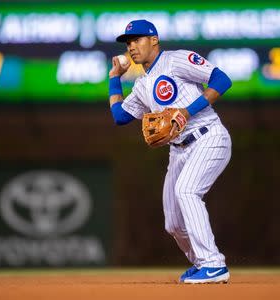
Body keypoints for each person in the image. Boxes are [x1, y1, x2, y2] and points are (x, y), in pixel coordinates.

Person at [108, 19, 232, 284]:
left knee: (187, 191)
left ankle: (213, 264)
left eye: (137, 39)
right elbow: (119, 116)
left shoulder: (177, 60)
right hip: (178, 150)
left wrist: (187, 112)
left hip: (209, 137)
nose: (131, 46)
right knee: (173, 224)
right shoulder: (142, 85)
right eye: (128, 42)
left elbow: (222, 80)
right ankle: (201, 263)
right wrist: (114, 79)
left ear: (154, 39)